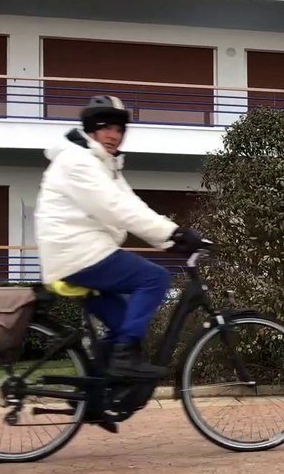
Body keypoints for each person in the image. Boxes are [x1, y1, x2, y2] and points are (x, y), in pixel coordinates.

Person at [34, 94, 204, 380]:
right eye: (105, 128)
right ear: (91, 130)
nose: (113, 135)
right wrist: (171, 234)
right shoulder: (77, 161)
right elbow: (116, 208)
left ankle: (101, 391)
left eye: (118, 129)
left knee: (125, 322)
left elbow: (133, 205)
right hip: (78, 254)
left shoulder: (104, 164)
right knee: (155, 278)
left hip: (82, 253)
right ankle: (124, 361)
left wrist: (171, 237)